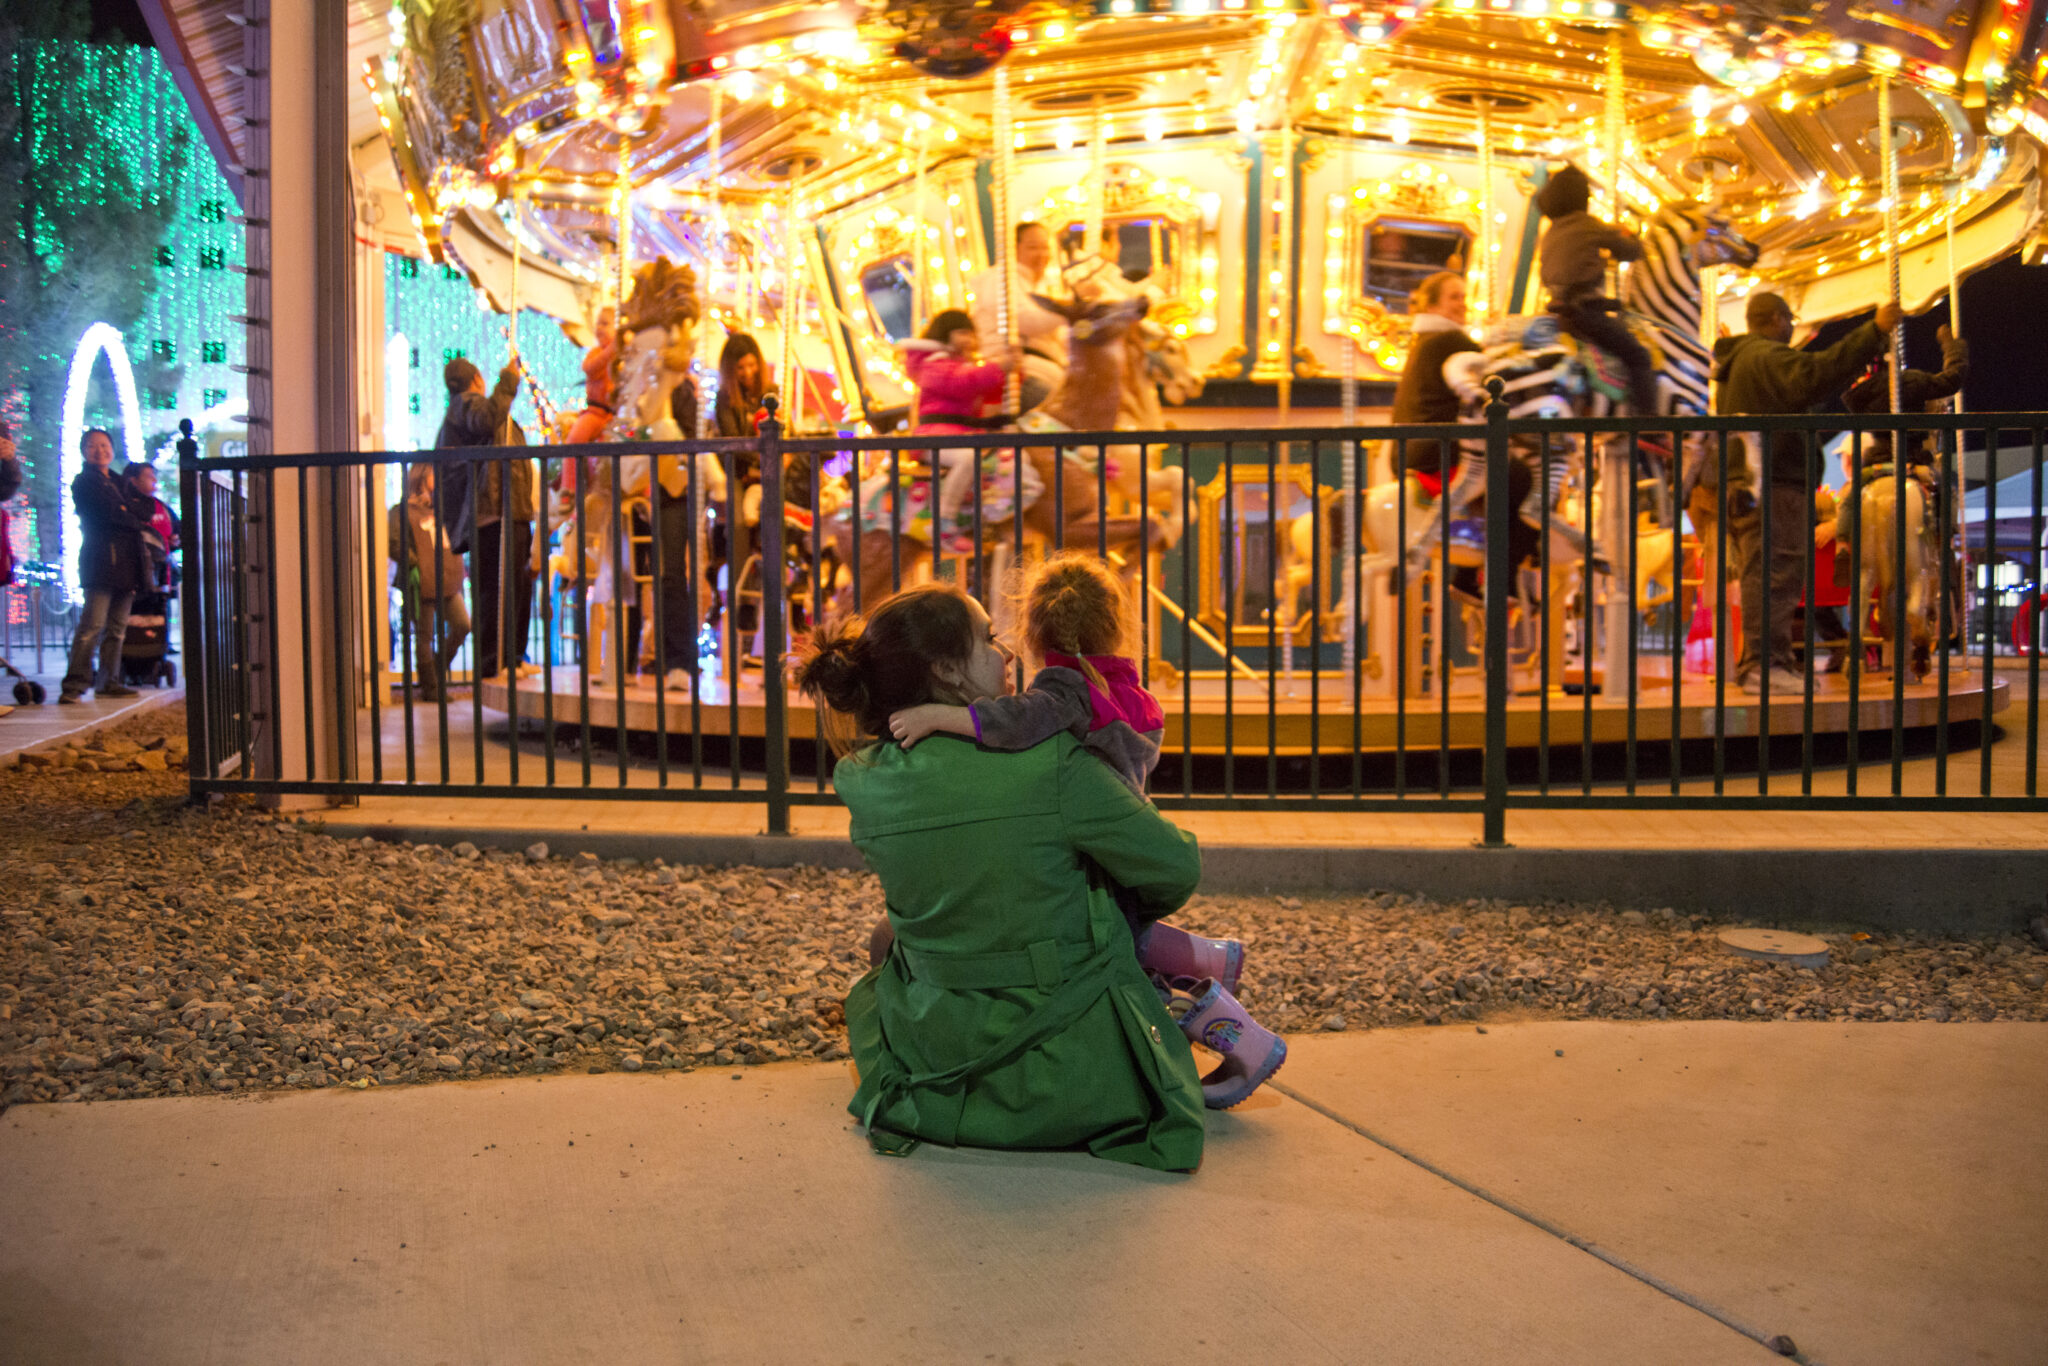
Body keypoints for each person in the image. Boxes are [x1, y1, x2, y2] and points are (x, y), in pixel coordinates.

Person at [795, 583, 1210, 1170]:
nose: (1008, 653)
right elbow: (1175, 869)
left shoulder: (864, 780)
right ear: (946, 670)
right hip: (1067, 1072)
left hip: (936, 1060)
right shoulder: (1056, 763)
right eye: (988, 640)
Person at [885, 553, 1285, 1110]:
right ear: (1116, 624)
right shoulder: (1123, 687)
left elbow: (1016, 720)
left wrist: (939, 717)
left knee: (1125, 970)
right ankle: (1203, 957)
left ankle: (1243, 1038)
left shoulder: (1063, 692)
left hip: (1093, 853)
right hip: (1116, 838)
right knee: (1130, 943)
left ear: (1032, 631)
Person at [1711, 289, 1900, 692]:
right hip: (1774, 483)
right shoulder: (1765, 357)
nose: (1792, 327)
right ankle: (1766, 664)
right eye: (1790, 321)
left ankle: (1765, 662)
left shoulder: (1742, 363)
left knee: (1763, 572)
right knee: (1774, 573)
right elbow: (1816, 374)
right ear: (1779, 319)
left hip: (1753, 481)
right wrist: (1874, 331)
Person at [1390, 271, 1539, 587]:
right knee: (1525, 478)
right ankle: (1499, 576)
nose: (1462, 304)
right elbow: (1495, 379)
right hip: (1438, 450)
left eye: (1463, 296)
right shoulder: (1452, 341)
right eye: (1453, 297)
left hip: (1412, 449)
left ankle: (1471, 571)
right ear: (1432, 306)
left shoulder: (1423, 343)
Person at [435, 356, 535, 681]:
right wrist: (508, 380)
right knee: (498, 587)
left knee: (512, 585)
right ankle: (496, 662)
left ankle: (510, 659)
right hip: (494, 512)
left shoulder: (458, 412)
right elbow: (490, 417)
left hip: (502, 510)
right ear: (477, 379)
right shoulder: (467, 404)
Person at [1535, 164, 1660, 417]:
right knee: (1638, 356)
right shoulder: (1587, 224)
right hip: (1585, 313)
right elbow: (1630, 250)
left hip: (1557, 315)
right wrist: (1628, 233)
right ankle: (1649, 422)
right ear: (1582, 198)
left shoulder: (1550, 232)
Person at [902, 309, 1007, 554]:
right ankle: (943, 522)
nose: (968, 340)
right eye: (962, 333)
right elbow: (962, 384)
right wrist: (996, 367)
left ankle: (984, 520)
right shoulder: (932, 365)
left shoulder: (964, 365)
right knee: (967, 457)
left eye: (971, 334)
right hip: (934, 436)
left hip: (960, 434)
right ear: (945, 335)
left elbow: (989, 392)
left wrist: (1012, 373)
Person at [59, 429, 150, 702]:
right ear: (83, 451)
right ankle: (74, 685)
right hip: (100, 562)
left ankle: (108, 681)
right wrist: (127, 513)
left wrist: (127, 512)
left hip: (127, 564)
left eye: (104, 444)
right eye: (92, 446)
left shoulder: (120, 482)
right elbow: (110, 514)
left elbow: (145, 509)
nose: (99, 450)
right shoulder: (84, 482)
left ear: (112, 448)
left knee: (117, 628)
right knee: (92, 626)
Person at [388, 465, 470, 700]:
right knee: (424, 635)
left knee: (463, 625)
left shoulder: (440, 509)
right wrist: (418, 563)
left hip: (447, 578)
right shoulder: (400, 511)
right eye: (435, 472)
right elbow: (395, 544)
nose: (439, 477)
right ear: (422, 476)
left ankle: (435, 670)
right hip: (420, 580)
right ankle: (430, 687)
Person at [968, 220, 1065, 412]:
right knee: (1057, 419)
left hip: (1041, 367)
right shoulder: (999, 279)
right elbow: (1022, 320)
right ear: (1013, 249)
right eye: (1033, 248)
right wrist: (1069, 312)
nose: (1042, 255)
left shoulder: (1036, 286)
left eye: (1045, 248)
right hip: (1016, 373)